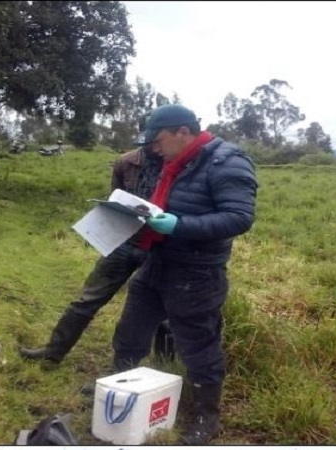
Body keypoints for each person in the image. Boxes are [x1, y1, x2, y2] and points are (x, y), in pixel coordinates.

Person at [109, 104, 258, 445]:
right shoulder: (175, 160)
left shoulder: (226, 160)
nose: (153, 149)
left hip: (196, 271)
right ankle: (119, 386)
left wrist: (179, 225)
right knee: (131, 327)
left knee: (198, 344)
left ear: (183, 132)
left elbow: (239, 217)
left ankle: (207, 416)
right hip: (158, 259)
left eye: (158, 140)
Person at [18, 116, 173, 366]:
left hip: (158, 249)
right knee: (87, 299)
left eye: (156, 142)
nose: (153, 149)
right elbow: (116, 198)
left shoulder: (179, 166)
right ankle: (53, 351)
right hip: (125, 242)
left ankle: (166, 368)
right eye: (148, 143)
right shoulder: (126, 162)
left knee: (162, 311)